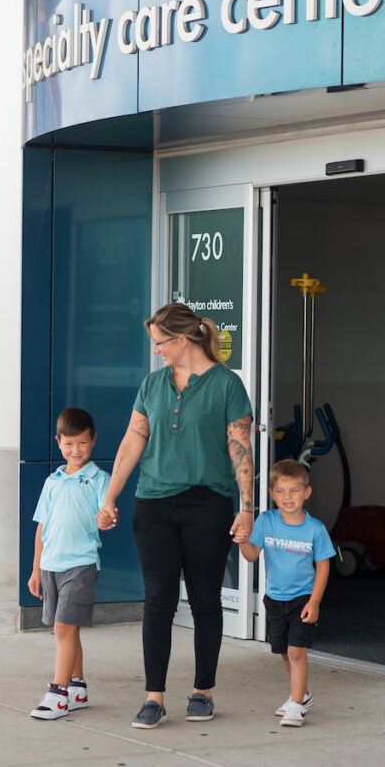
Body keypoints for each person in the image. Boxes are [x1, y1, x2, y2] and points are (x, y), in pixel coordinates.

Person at [97, 302, 254, 728]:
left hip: (209, 504)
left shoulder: (226, 385)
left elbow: (241, 450)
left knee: (205, 599)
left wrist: (247, 508)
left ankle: (202, 691)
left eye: (160, 343)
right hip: (154, 505)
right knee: (158, 601)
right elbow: (132, 443)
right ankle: (154, 696)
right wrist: (109, 498)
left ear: (182, 340)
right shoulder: (152, 385)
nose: (156, 351)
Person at [234, 458, 335, 727]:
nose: (287, 497)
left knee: (296, 651)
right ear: (271, 494)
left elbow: (323, 567)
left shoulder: (315, 529)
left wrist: (314, 602)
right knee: (282, 650)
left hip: (302, 597)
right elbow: (252, 556)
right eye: (280, 491)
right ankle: (300, 694)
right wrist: (243, 541)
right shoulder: (266, 521)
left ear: (306, 493)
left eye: (293, 491)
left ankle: (297, 705)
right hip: (274, 598)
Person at [28, 407, 110, 720]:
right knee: (67, 629)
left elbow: (107, 513)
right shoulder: (52, 481)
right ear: (58, 442)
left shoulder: (99, 479)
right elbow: (41, 528)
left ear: (93, 441)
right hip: (50, 565)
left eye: (83, 444)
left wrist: (107, 518)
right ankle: (77, 687)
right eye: (69, 444)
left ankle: (58, 694)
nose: (76, 450)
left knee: (64, 626)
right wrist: (35, 569)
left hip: (81, 564)